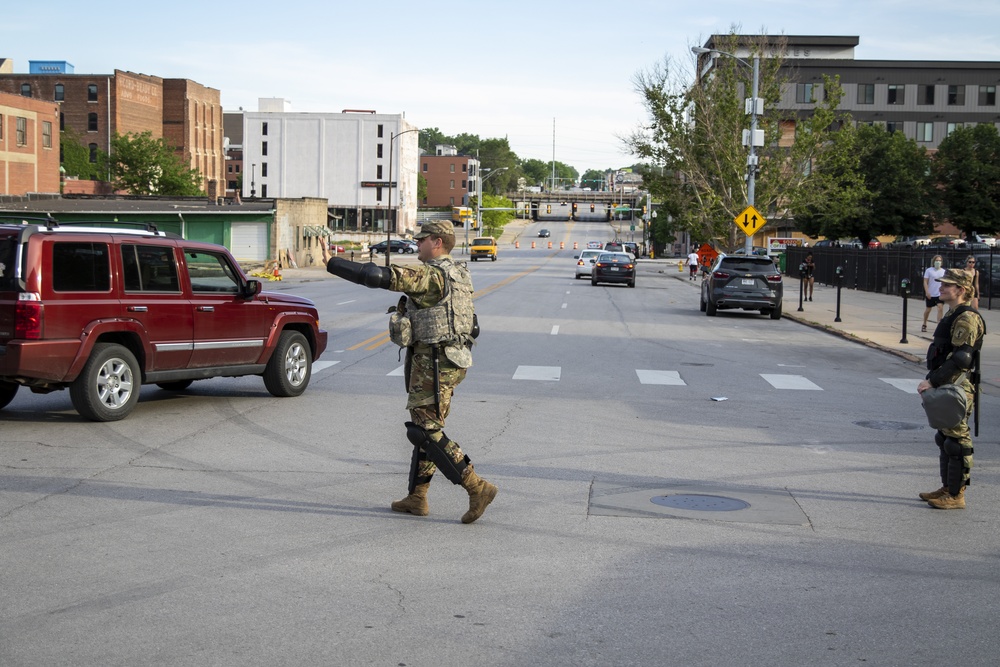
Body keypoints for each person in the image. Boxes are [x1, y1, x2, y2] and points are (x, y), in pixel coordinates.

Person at [326, 221, 498, 524]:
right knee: (425, 429)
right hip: (449, 359)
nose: (417, 244)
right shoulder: (458, 273)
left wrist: (334, 263)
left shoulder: (432, 275)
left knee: (426, 432)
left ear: (437, 242)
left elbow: (381, 276)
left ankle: (476, 487)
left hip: (434, 362)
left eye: (422, 240)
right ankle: (417, 497)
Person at [917, 269, 985, 510]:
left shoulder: (966, 317)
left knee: (957, 441)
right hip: (948, 382)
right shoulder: (953, 313)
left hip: (958, 385)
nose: (941, 288)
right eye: (941, 284)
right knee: (945, 437)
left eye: (947, 285)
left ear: (962, 290)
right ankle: (947, 487)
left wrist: (933, 381)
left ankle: (957, 495)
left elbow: (961, 359)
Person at [921, 255, 945, 332]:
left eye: (940, 261)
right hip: (931, 293)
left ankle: (939, 325)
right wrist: (927, 292)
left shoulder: (943, 271)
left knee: (940, 307)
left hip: (939, 294)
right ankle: (924, 323)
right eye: (937, 261)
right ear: (934, 262)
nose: (938, 262)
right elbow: (925, 281)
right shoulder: (929, 270)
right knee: (928, 309)